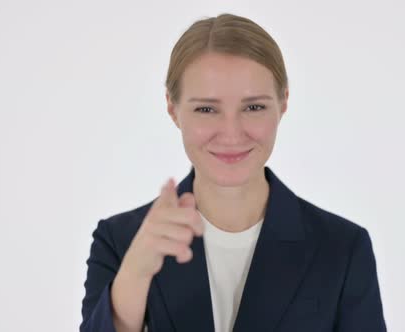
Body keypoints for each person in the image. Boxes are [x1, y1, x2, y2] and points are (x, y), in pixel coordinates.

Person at [80, 13, 387, 332]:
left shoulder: (342, 248)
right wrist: (135, 273)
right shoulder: (120, 242)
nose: (231, 133)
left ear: (283, 103)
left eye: (253, 107)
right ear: (173, 109)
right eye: (206, 109)